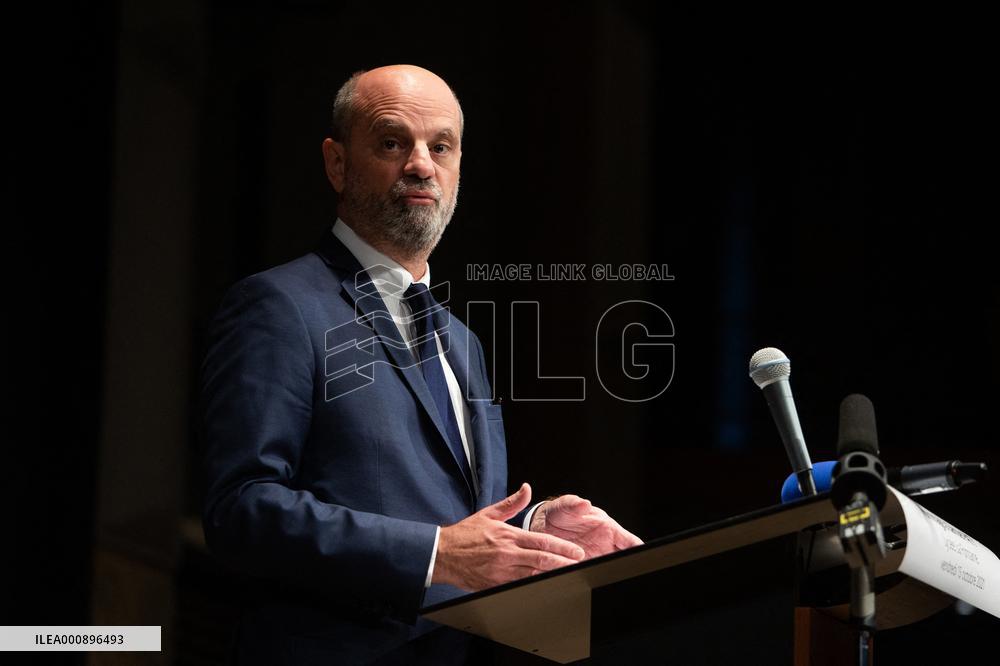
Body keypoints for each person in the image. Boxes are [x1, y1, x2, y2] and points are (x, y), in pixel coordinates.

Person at [199, 64, 642, 665]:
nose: (420, 165)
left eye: (441, 146)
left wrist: (530, 531)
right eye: (391, 142)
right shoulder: (280, 307)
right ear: (336, 163)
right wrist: (434, 553)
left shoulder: (463, 343)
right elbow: (241, 510)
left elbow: (454, 522)